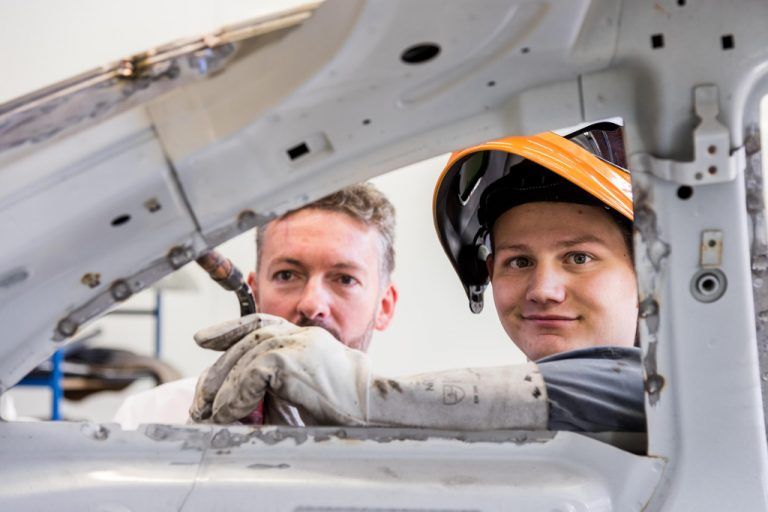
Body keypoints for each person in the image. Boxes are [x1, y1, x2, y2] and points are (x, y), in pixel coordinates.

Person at [189, 124, 645, 432]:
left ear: (649, 272)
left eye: (579, 257)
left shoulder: (672, 395)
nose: (543, 290)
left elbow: (633, 388)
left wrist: (365, 395)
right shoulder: (484, 433)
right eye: (519, 261)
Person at [113, 183, 398, 427]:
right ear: (255, 292)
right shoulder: (149, 417)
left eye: (345, 279)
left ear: (384, 307)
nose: (312, 304)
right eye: (287, 275)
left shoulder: (412, 442)